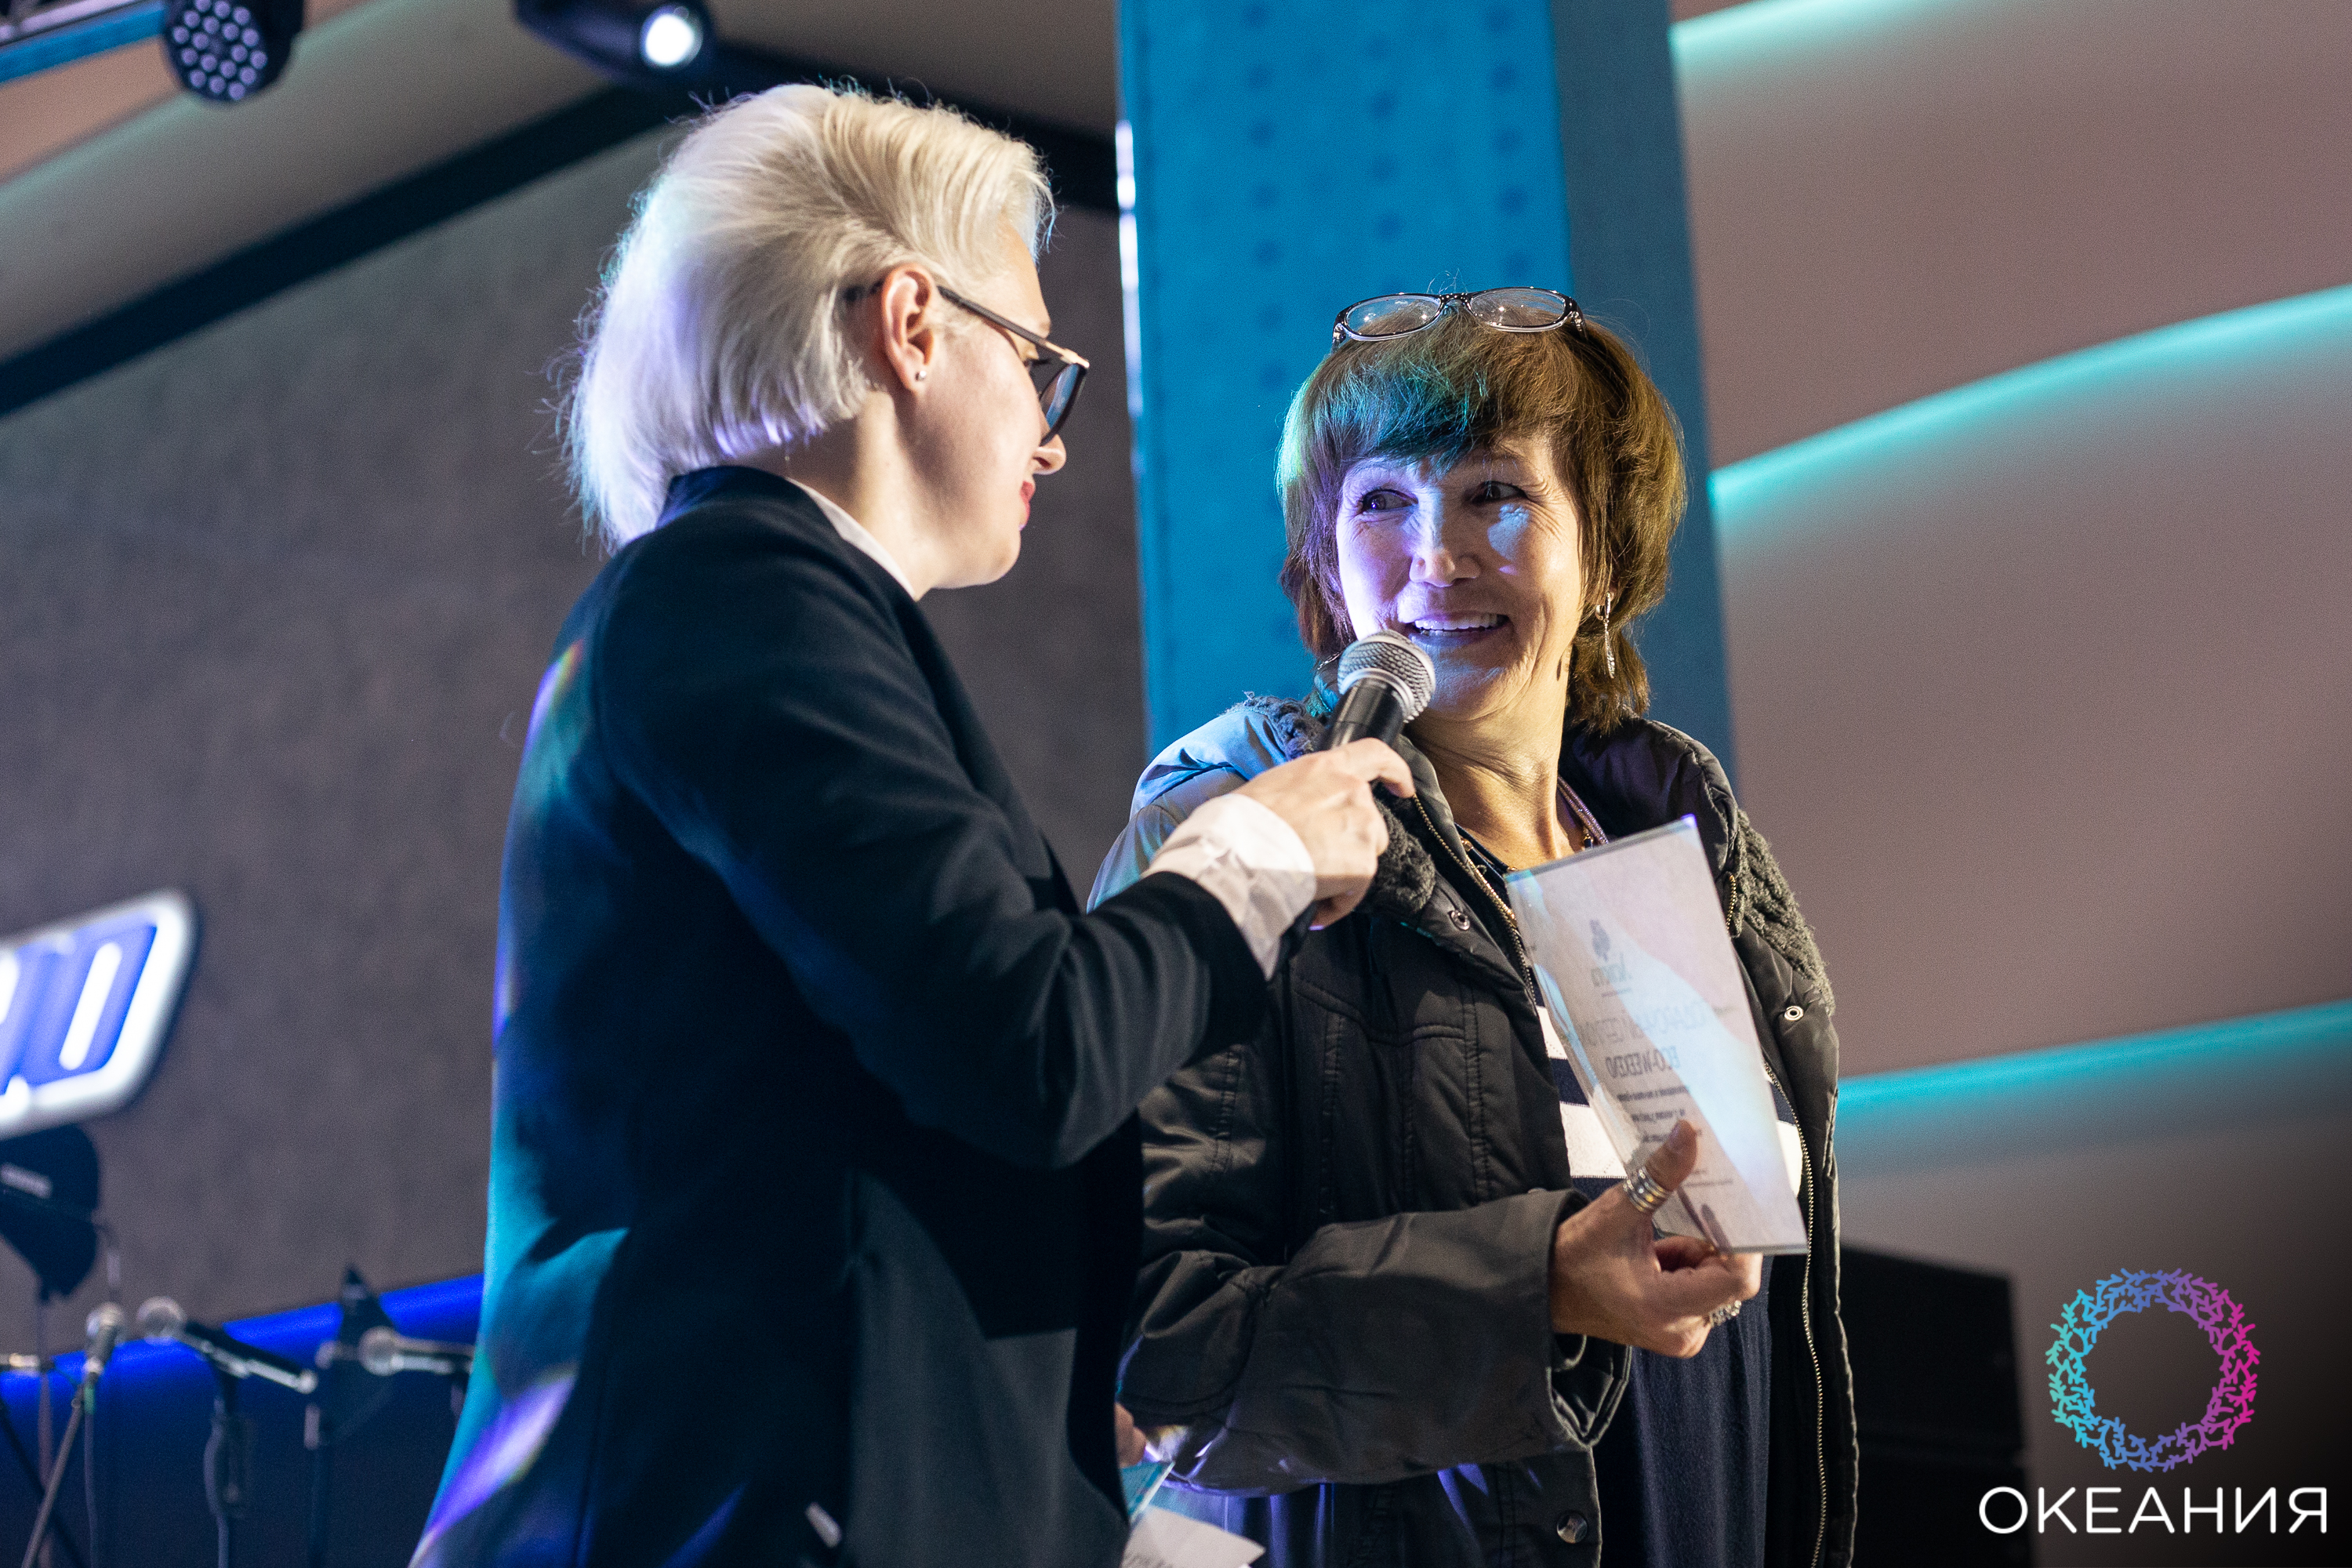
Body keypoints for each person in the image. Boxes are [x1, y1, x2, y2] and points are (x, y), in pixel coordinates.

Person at [412, 86, 1414, 1568]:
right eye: (1044, 365)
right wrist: (1258, 851)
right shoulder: (736, 593)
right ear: (914, 324)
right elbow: (1030, 1043)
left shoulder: (761, 603)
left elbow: (889, 1125)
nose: (1053, 445)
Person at [1094, 289, 1857, 1567]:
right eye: (1380, 503)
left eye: (1493, 493)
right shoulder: (1235, 840)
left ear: (1605, 551)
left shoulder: (1682, 857)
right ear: (1324, 564)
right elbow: (1147, 1343)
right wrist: (1534, 1289)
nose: (1435, 559)